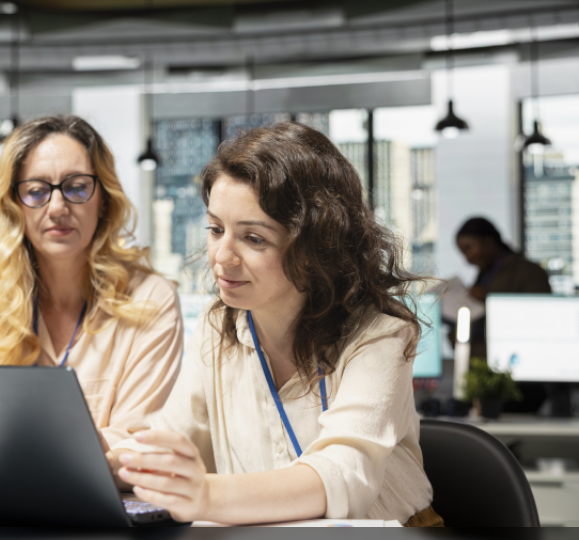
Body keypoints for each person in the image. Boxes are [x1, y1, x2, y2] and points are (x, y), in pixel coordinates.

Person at [106, 122, 441, 526]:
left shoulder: (380, 336)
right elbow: (175, 439)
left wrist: (205, 494)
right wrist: (99, 458)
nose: (222, 257)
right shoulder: (219, 327)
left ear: (317, 245)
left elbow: (343, 477)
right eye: (215, 229)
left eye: (253, 239)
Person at [0, 115, 183, 447]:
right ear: (14, 205)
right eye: (36, 191)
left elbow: (138, 440)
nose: (58, 207)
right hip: (2, 495)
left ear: (103, 198)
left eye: (76, 187)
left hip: (109, 497)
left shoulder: (150, 299)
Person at [455, 217, 551, 412]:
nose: (467, 258)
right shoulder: (486, 271)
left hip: (517, 377)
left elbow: (539, 319)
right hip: (486, 376)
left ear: (489, 241)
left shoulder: (528, 272)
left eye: (469, 248)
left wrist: (489, 299)